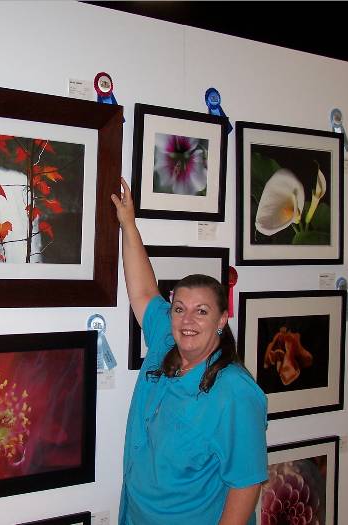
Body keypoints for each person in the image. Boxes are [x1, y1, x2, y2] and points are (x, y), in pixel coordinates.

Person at [112, 178, 268, 525]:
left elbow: (246, 484)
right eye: (179, 308)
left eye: (202, 311)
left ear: (221, 321)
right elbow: (143, 291)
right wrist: (128, 224)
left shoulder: (235, 391)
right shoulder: (166, 342)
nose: (187, 320)